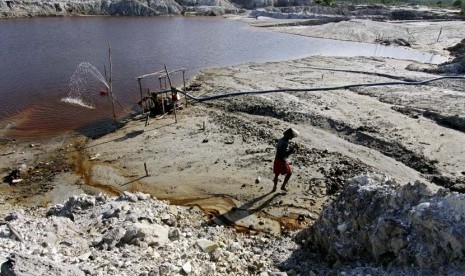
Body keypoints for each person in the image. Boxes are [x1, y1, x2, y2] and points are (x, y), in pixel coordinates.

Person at [273, 128, 299, 192]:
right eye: (292, 136)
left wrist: (290, 148)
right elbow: (284, 154)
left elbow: (282, 150)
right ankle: (283, 186)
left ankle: (274, 187)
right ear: (289, 136)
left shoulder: (281, 139)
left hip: (277, 159)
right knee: (289, 173)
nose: (292, 138)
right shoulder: (285, 143)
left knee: (276, 174)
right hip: (281, 160)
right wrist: (292, 149)